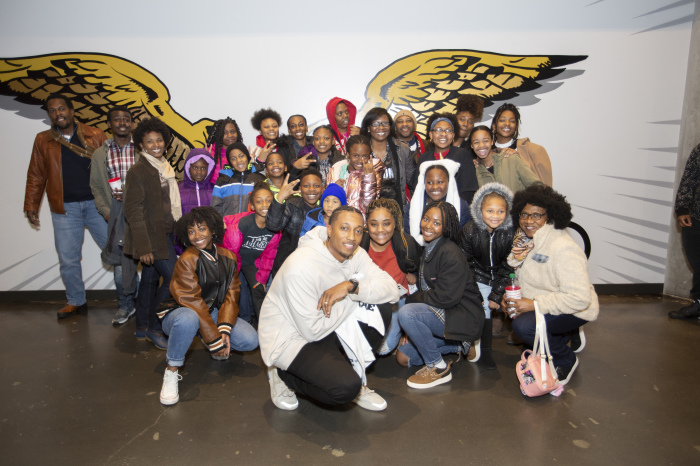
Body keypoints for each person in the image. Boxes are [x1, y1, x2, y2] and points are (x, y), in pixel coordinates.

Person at [259, 206, 401, 411]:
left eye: (358, 230)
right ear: (329, 229)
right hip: (291, 337)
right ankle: (284, 376)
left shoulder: (356, 253)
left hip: (328, 321)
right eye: (344, 228)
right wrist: (352, 296)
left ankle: (354, 374)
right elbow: (311, 331)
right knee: (344, 388)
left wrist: (350, 286)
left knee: (382, 307)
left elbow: (391, 289)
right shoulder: (301, 266)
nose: (351, 237)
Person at [158, 207, 259, 406]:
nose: (197, 236)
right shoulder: (187, 259)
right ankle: (171, 370)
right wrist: (214, 338)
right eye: (191, 231)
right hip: (179, 313)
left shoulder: (228, 257)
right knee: (189, 319)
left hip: (209, 312)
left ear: (213, 230)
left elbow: (231, 296)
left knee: (251, 340)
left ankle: (204, 336)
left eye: (202, 229)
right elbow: (192, 302)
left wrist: (223, 329)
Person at [24, 93, 107, 319]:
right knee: (68, 259)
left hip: (96, 205)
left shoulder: (95, 135)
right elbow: (36, 174)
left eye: (62, 109)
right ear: (49, 115)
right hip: (64, 208)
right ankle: (75, 300)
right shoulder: (43, 139)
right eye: (53, 110)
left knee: (116, 251)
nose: (58, 113)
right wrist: (31, 204)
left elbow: (111, 168)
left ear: (72, 111)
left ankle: (131, 298)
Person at [506, 184, 598, 385]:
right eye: (524, 214)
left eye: (537, 215)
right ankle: (556, 338)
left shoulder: (563, 248)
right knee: (528, 338)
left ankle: (566, 358)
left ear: (550, 216)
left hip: (575, 308)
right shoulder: (526, 241)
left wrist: (533, 304)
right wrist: (512, 299)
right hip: (547, 302)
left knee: (523, 327)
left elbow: (579, 298)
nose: (529, 221)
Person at [396, 201, 483, 388]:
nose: (428, 225)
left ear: (447, 226)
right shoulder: (429, 247)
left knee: (406, 312)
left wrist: (411, 304)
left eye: (436, 223)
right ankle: (460, 345)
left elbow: (445, 298)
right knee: (403, 358)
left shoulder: (451, 252)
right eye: (426, 219)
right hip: (442, 311)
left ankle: (438, 368)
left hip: (461, 314)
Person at [124, 117, 181, 350]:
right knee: (173, 278)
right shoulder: (139, 171)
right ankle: (156, 328)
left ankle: (142, 326)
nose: (155, 144)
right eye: (150, 141)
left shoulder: (165, 168)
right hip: (151, 238)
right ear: (141, 145)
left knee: (148, 281)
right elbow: (132, 211)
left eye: (159, 140)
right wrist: (144, 247)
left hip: (165, 233)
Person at [90, 105, 139, 325]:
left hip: (140, 213)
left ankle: (143, 305)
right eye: (117, 119)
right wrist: (107, 212)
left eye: (126, 119)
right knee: (121, 267)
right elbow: (96, 187)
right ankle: (126, 306)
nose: (122, 122)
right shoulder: (101, 153)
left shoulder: (141, 149)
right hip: (117, 216)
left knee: (147, 264)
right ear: (109, 124)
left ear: (131, 123)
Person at [459, 182, 515, 370]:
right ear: (479, 210)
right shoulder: (469, 230)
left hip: (503, 277)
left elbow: (508, 265)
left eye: (500, 211)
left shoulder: (510, 232)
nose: (495, 216)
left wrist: (497, 294)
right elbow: (466, 264)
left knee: (517, 307)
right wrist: (477, 293)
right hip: (479, 276)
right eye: (489, 211)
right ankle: (485, 351)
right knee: (483, 309)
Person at [360, 199, 421, 355]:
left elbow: (419, 281)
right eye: (374, 224)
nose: (380, 229)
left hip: (398, 302)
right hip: (369, 300)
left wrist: (409, 326)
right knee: (363, 343)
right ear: (367, 224)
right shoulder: (360, 245)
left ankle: (398, 329)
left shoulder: (406, 244)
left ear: (395, 224)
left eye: (386, 223)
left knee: (383, 349)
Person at [223, 183, 281, 326]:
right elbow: (230, 254)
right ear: (252, 206)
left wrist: (262, 279)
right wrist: (233, 274)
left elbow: (269, 255)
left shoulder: (275, 229)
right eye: (259, 201)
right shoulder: (241, 226)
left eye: (268, 200)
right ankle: (245, 322)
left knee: (258, 289)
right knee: (239, 290)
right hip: (233, 260)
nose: (265, 204)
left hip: (249, 262)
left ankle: (264, 326)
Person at [413, 113, 479, 204]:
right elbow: (418, 189)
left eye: (448, 130)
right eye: (439, 130)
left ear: (453, 136)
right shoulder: (424, 159)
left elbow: (468, 191)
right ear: (431, 135)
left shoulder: (462, 155)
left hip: (457, 209)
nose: (443, 134)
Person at [266, 170, 323, 275]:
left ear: (322, 188)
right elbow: (273, 225)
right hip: (288, 267)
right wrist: (280, 198)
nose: (311, 189)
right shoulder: (292, 205)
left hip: (315, 268)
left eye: (316, 185)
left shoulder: (325, 211)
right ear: (300, 189)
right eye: (306, 186)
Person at [360, 107, 415, 214]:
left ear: (390, 127)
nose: (381, 127)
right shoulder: (362, 150)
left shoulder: (402, 149)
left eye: (385, 123)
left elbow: (413, 182)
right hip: (368, 212)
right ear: (368, 128)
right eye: (375, 124)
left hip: (396, 211)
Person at [669, 142, 700, 319]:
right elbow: (689, 179)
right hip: (695, 218)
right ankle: (698, 304)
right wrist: (682, 209)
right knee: (698, 264)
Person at [405, 160, 470, 242]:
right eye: (430, 182)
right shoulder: (414, 205)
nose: (435, 186)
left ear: (449, 183)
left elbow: (463, 239)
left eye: (440, 182)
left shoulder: (461, 206)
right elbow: (407, 234)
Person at [491, 103, 553, 187]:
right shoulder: (485, 153)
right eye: (502, 120)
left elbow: (546, 188)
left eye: (512, 121)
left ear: (516, 127)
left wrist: (519, 158)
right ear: (494, 126)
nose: (507, 123)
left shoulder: (533, 150)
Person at [471, 125, 541, 192]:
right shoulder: (474, 171)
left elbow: (537, 186)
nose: (481, 145)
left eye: (485, 141)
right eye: (476, 142)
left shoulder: (511, 159)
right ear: (471, 145)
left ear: (492, 141)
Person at [328, 135, 383, 218]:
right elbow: (327, 204)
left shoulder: (374, 173)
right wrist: (334, 189)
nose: (360, 160)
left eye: (365, 156)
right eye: (356, 155)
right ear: (348, 154)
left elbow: (368, 207)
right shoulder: (335, 171)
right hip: (337, 222)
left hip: (361, 224)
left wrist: (368, 178)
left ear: (370, 156)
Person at [211, 142, 265, 217]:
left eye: (241, 156)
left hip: (251, 226)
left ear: (247, 157)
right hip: (228, 226)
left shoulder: (259, 179)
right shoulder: (223, 180)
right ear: (229, 162)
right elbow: (215, 207)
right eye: (233, 158)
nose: (239, 160)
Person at [206, 117, 243, 184]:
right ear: (219, 135)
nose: (230, 135)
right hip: (213, 191)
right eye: (225, 133)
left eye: (232, 132)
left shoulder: (242, 152)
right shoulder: (209, 152)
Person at [179, 148, 215, 215]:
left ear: (208, 169)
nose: (199, 172)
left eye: (203, 168)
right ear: (188, 168)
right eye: (195, 167)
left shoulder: (214, 189)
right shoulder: (178, 188)